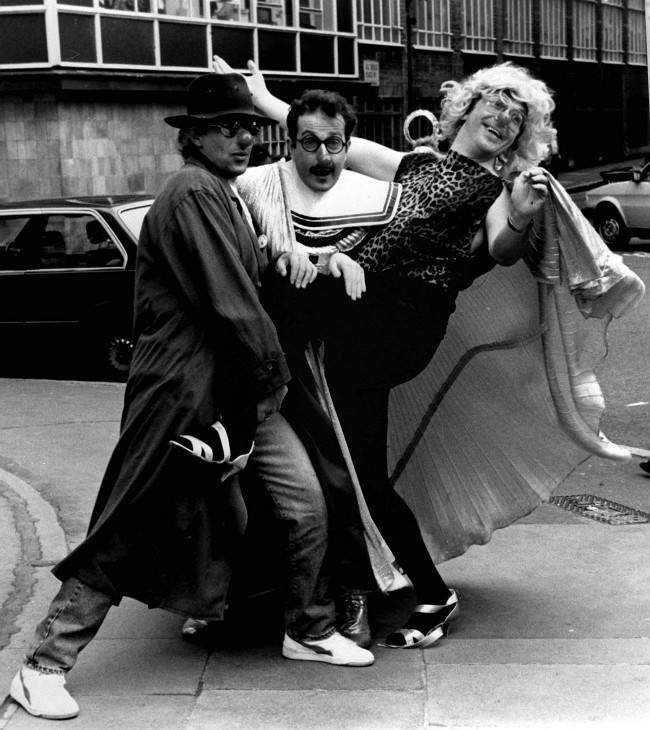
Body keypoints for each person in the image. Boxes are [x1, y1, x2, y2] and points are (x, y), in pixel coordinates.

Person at [8, 72, 375, 723]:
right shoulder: (191, 195)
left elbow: (258, 274)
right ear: (194, 135)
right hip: (181, 396)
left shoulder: (224, 195)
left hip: (237, 397)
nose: (244, 137)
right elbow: (235, 306)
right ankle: (42, 667)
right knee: (129, 525)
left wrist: (308, 260)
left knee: (304, 502)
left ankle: (310, 629)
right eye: (228, 127)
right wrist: (277, 382)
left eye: (248, 127)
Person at [214, 57, 553, 649]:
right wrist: (262, 95)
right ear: (463, 111)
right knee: (358, 473)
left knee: (283, 288)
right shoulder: (416, 164)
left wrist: (522, 217)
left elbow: (500, 247)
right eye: (492, 105)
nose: (500, 119)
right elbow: (327, 132)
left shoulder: (496, 191)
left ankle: (238, 422)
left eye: (514, 118)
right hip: (358, 313)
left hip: (400, 320)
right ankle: (423, 589)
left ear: (519, 138)